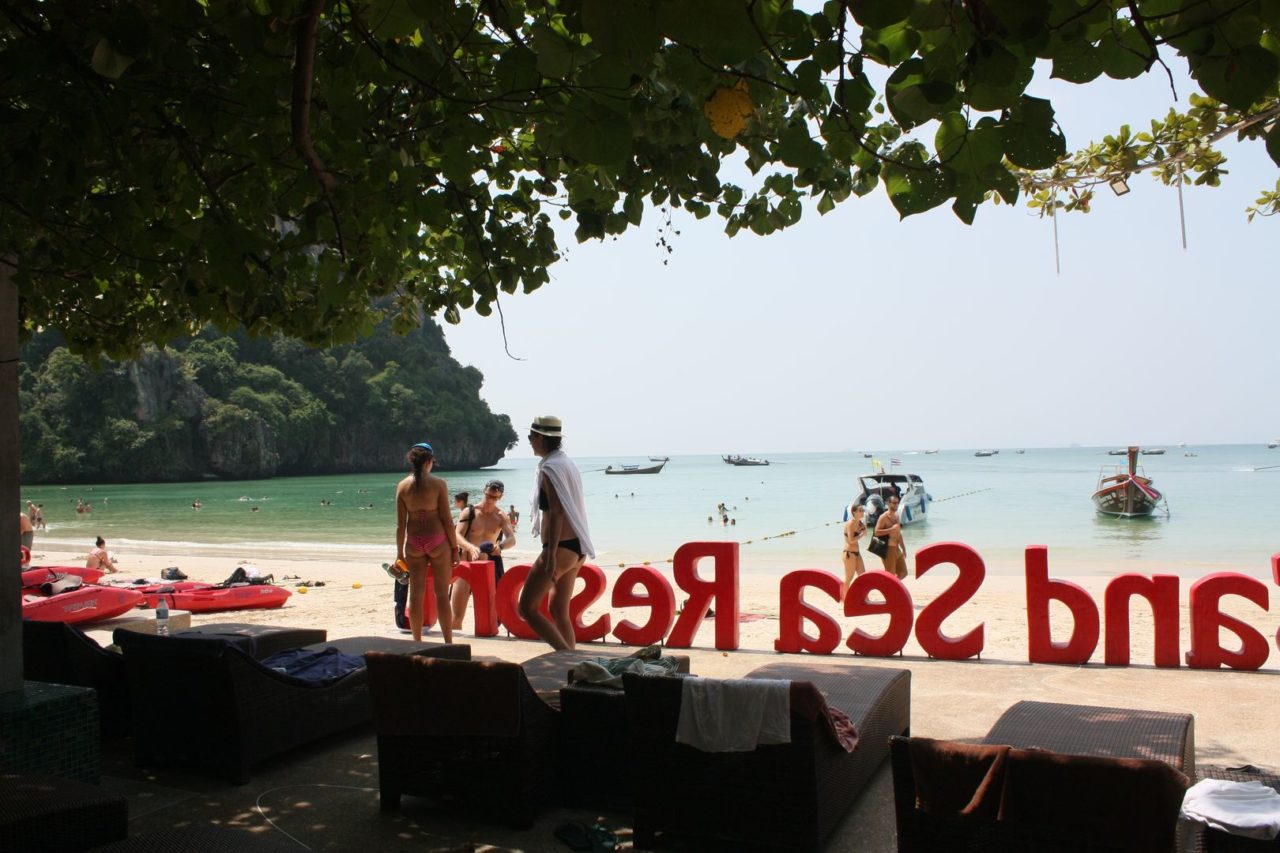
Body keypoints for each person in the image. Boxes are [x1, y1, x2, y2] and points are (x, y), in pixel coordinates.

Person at [518, 415, 593, 651]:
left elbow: (557, 511)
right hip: (576, 548)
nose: (529, 441)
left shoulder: (550, 467)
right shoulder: (565, 463)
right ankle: (573, 664)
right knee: (558, 611)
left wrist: (549, 554)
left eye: (530, 436)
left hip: (559, 548)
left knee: (526, 608)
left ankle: (565, 657)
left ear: (541, 438)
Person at [395, 442, 459, 643]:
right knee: (441, 595)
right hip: (438, 541)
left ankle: (416, 643)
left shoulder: (402, 486)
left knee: (416, 594)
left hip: (414, 543)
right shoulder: (439, 484)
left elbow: (400, 525)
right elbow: (447, 519)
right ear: (429, 461)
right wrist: (454, 548)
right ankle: (448, 642)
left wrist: (399, 554)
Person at [450, 479, 517, 629]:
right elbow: (456, 535)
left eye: (494, 497)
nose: (490, 500)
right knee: (456, 617)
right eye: (488, 496)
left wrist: (500, 546)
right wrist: (470, 547)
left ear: (500, 497)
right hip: (466, 566)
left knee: (488, 620)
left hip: (485, 570)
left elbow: (512, 539)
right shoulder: (470, 512)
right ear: (484, 492)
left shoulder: (501, 516)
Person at [874, 494, 909, 580]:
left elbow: (898, 534)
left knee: (903, 572)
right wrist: (891, 529)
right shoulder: (883, 517)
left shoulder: (897, 516)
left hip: (897, 548)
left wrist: (903, 548)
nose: (896, 504)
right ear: (888, 504)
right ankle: (889, 587)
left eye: (897, 502)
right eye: (894, 503)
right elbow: (877, 532)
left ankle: (892, 586)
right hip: (888, 549)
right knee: (890, 575)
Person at [841, 503, 868, 596]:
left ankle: (864, 597)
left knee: (863, 576)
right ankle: (845, 598)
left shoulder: (859, 523)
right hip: (849, 553)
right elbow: (851, 540)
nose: (862, 512)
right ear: (854, 512)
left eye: (863, 510)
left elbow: (865, 531)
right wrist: (862, 534)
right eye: (860, 510)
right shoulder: (851, 524)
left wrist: (864, 528)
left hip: (857, 553)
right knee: (849, 577)